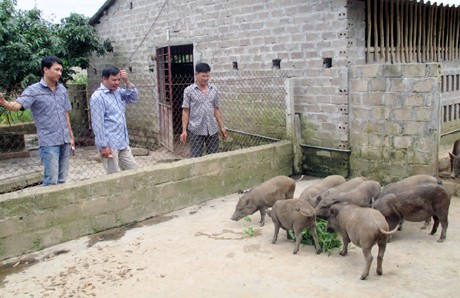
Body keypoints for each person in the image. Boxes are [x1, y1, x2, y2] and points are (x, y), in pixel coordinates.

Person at [0, 56, 75, 186]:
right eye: (56, 70)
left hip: (65, 139)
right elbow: (17, 106)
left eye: (61, 70)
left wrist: (71, 136)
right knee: (51, 180)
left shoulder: (62, 89)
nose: (59, 73)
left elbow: (65, 113)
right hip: (49, 141)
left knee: (62, 179)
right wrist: (3, 102)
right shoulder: (33, 90)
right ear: (45, 69)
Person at [90, 65, 139, 174]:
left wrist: (127, 82)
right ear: (104, 78)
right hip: (109, 144)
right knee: (114, 176)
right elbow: (98, 124)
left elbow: (134, 98)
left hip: (123, 142)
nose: (117, 82)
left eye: (118, 80)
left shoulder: (118, 92)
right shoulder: (98, 97)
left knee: (134, 172)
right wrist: (103, 146)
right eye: (114, 80)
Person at [180, 62, 228, 157]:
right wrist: (184, 130)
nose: (206, 79)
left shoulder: (214, 89)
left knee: (213, 156)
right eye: (203, 76)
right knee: (196, 157)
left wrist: (222, 127)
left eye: (207, 76)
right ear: (196, 74)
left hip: (212, 128)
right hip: (196, 129)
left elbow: (216, 109)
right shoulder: (189, 91)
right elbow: (185, 111)